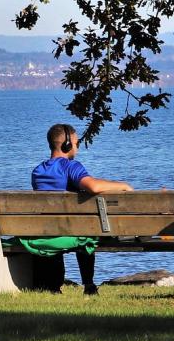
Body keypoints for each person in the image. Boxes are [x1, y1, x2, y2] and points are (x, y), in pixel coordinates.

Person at [22, 123, 134, 295]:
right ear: (67, 144)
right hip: (70, 231)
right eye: (76, 142)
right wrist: (124, 186)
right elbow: (94, 187)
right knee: (86, 231)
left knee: (73, 227)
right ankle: (88, 285)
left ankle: (52, 286)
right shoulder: (71, 167)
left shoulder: (37, 171)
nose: (78, 146)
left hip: (44, 232)